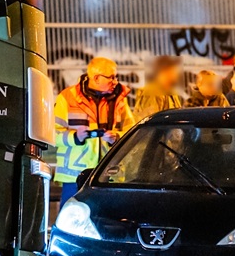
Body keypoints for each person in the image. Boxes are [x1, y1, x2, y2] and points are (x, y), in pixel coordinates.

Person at [54, 57, 135, 205]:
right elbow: (53, 134)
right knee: (72, 216)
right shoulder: (67, 98)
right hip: (75, 177)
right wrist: (75, 137)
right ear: (97, 78)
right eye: (111, 77)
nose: (116, 81)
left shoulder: (119, 101)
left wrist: (117, 137)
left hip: (109, 175)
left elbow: (132, 131)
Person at [133, 55, 183, 120]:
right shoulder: (153, 92)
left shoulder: (171, 92)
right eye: (174, 70)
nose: (177, 73)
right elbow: (150, 121)